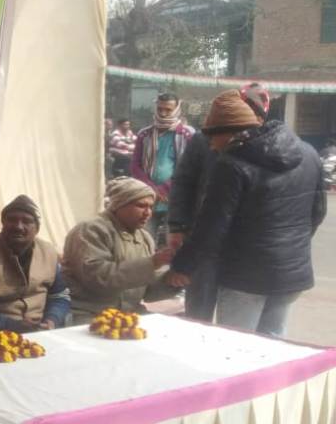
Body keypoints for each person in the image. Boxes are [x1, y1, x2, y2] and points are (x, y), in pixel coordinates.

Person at [166, 89, 325, 337]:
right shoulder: (309, 153)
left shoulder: (231, 164)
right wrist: (289, 245)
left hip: (246, 277)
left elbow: (211, 227)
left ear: (231, 133)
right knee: (272, 347)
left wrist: (183, 266)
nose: (211, 145)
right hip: (291, 273)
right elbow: (317, 213)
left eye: (213, 137)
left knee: (237, 347)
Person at [168, 84, 271, 321]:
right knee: (199, 310)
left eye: (258, 111)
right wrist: (177, 226)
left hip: (244, 247)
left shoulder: (268, 144)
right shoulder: (204, 139)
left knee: (238, 317)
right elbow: (183, 181)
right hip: (204, 237)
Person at [62, 178, 175, 324]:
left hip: (130, 313)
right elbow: (98, 278)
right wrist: (152, 263)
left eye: (151, 207)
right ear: (119, 204)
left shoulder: (145, 238)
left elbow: (147, 292)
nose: (148, 213)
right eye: (141, 206)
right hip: (90, 314)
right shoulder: (90, 230)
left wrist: (174, 279)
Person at [0, 195, 70, 333]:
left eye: (27, 221)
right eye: (12, 219)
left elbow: (60, 296)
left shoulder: (49, 253)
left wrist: (52, 320)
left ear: (37, 228)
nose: (18, 226)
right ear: (3, 223)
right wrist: (8, 325)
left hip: (42, 332)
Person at [130, 93, 195, 246]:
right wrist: (152, 189)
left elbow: (187, 168)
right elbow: (135, 165)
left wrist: (164, 189)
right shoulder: (144, 134)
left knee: (173, 243)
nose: (163, 113)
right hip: (147, 196)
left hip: (175, 197)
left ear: (177, 110)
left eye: (168, 109)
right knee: (144, 240)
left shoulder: (187, 134)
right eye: (160, 109)